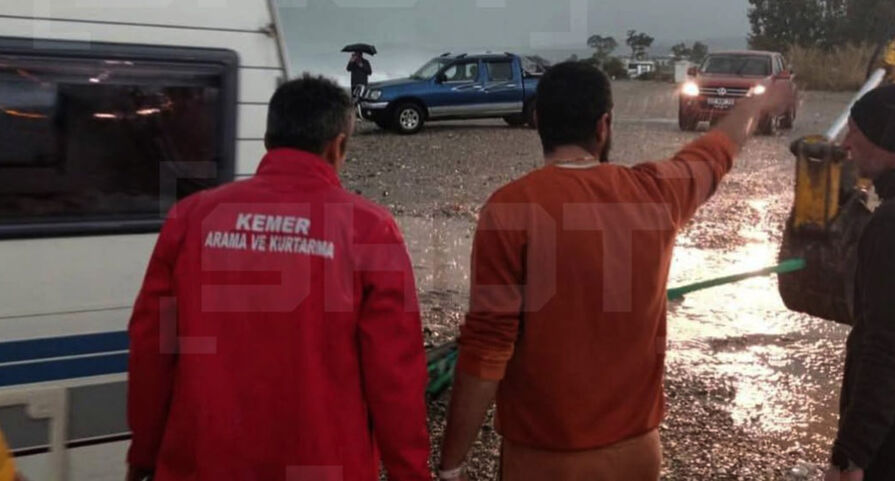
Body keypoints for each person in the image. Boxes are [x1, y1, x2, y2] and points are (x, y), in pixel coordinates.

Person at [437, 62, 787, 481]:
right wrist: (755, 104)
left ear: (538, 121)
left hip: (545, 458)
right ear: (603, 125)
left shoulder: (510, 209)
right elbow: (716, 151)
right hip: (637, 455)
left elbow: (487, 348)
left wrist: (451, 464)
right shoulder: (657, 193)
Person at [126, 74, 430, 481]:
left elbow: (151, 347)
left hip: (202, 462)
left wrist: (144, 452)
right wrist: (410, 471)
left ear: (269, 141)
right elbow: (395, 374)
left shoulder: (192, 217)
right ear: (337, 146)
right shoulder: (369, 229)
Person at [825, 84, 895, 481]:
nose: (846, 144)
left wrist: (851, 455)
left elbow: (886, 347)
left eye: (855, 130)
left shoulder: (889, 225)